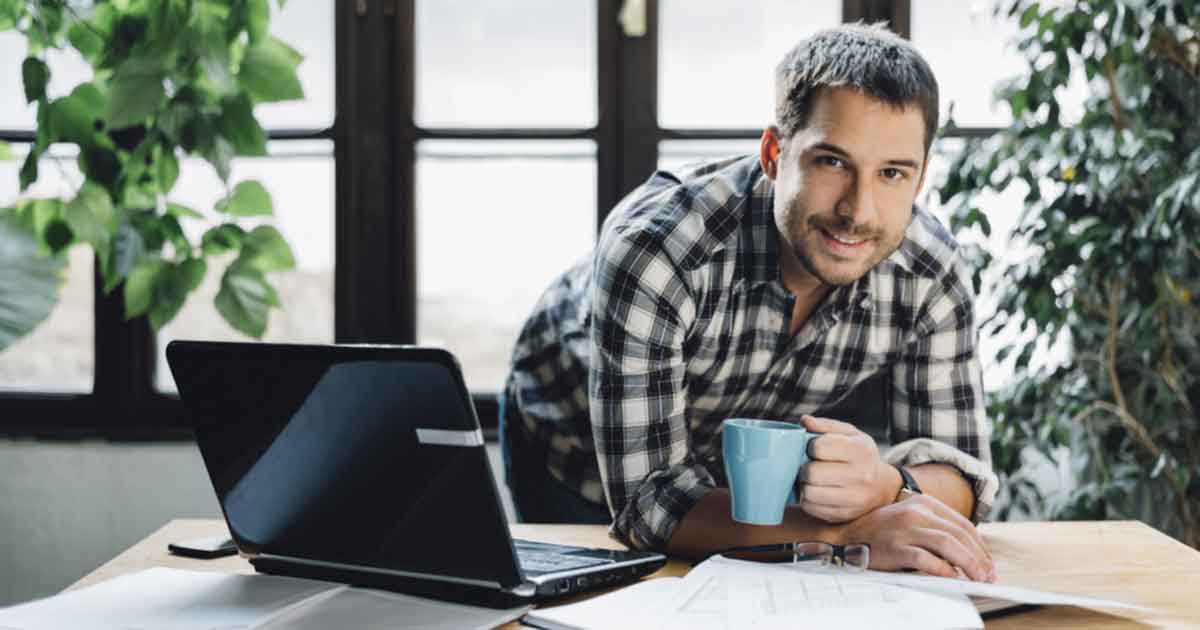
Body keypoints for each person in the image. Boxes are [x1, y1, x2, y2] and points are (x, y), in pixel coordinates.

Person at [501, 22, 999, 582]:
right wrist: (844, 538)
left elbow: (961, 473)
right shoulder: (661, 250)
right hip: (577, 445)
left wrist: (891, 485)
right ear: (773, 153)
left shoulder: (930, 269)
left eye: (891, 173)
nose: (858, 210)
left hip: (739, 479)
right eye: (831, 162)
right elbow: (647, 506)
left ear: (921, 177)